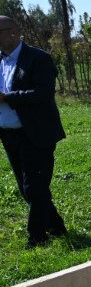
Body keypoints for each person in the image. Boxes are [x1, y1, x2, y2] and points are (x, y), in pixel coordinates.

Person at [0, 16, 67, 248]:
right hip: (8, 134)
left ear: (13, 32)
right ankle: (56, 226)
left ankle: (37, 238)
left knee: (34, 188)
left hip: (36, 133)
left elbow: (43, 92)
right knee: (27, 188)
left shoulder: (39, 59)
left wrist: (7, 98)